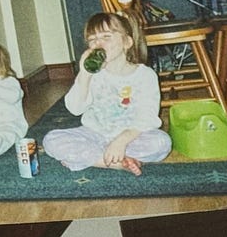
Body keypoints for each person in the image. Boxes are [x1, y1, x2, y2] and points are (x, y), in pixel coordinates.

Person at [42, 12, 172, 175]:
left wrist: (121, 141)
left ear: (127, 42)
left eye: (106, 36)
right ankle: (118, 162)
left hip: (131, 136)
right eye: (92, 40)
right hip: (94, 134)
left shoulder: (145, 75)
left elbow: (147, 117)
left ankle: (92, 159)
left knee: (162, 142)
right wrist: (84, 74)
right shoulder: (92, 74)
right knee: (51, 140)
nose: (98, 43)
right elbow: (75, 108)